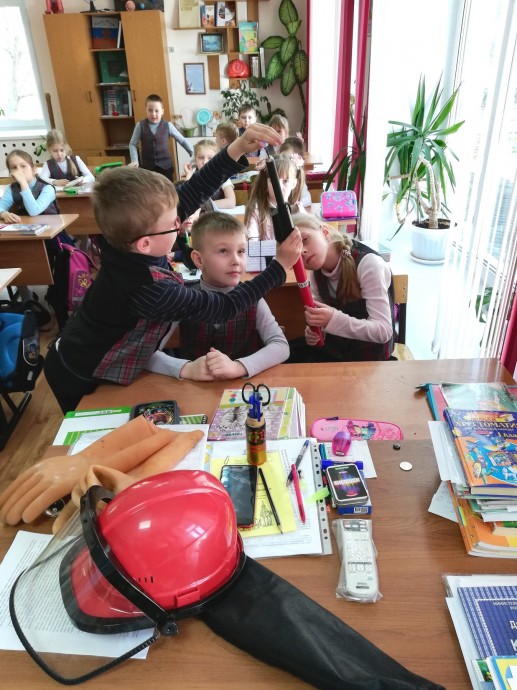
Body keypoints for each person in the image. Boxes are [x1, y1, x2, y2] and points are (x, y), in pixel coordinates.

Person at [43, 123, 302, 414]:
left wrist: (238, 146)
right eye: (172, 224)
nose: (180, 222)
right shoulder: (149, 289)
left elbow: (194, 190)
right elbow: (224, 306)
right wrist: (280, 266)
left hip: (84, 350)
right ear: (145, 244)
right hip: (78, 374)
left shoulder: (129, 235)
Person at [146, 213, 289, 381]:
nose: (236, 261)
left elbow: (281, 345)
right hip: (195, 390)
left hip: (243, 389)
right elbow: (145, 353)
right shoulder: (182, 298)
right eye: (223, 251)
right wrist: (186, 368)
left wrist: (239, 366)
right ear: (199, 260)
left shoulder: (254, 299)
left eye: (241, 251)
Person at [288, 213, 394, 362]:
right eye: (295, 251)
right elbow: (324, 326)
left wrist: (332, 319)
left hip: (370, 361)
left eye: (305, 240)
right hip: (338, 355)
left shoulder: (369, 264)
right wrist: (317, 332)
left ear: (324, 231)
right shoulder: (316, 274)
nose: (302, 252)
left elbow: (383, 331)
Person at [0, 150, 75, 260]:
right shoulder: (12, 189)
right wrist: (4, 213)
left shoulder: (47, 188)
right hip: (26, 236)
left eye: (23, 166)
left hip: (52, 236)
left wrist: (24, 184)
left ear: (33, 169)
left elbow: (34, 211)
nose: (19, 171)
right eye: (14, 167)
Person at [128, 94, 194, 180]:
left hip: (166, 168)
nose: (153, 114)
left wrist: (192, 151)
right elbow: (132, 144)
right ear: (146, 110)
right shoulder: (140, 125)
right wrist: (134, 160)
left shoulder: (168, 125)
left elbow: (182, 140)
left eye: (157, 111)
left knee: (167, 187)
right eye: (150, 110)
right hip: (147, 169)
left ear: (162, 111)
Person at [244, 154, 306, 241]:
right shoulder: (256, 210)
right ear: (265, 183)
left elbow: (308, 236)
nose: (279, 186)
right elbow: (252, 243)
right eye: (274, 181)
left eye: (285, 181)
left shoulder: (298, 208)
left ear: (293, 184)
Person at [181, 139, 236, 209]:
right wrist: (188, 176)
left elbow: (231, 202)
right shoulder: (190, 175)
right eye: (201, 157)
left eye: (210, 158)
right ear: (195, 159)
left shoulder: (223, 176)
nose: (205, 162)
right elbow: (185, 202)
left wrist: (203, 206)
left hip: (215, 215)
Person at [279, 136, 311, 210]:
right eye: (282, 157)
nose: (285, 162)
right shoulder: (277, 177)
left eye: (289, 158)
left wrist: (292, 206)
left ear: (298, 161)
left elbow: (308, 199)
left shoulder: (298, 178)